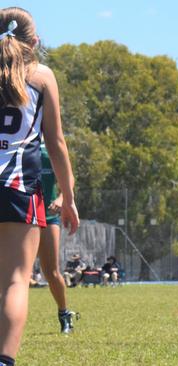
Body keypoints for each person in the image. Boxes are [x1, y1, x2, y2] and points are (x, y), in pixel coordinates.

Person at [0, 7, 79, 364]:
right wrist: (70, 197)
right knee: (16, 280)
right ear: (35, 42)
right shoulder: (41, 76)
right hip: (18, 186)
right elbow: (57, 142)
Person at [37, 143, 77, 333]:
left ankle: (64, 313)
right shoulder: (15, 144)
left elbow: (68, 178)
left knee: (51, 272)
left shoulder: (48, 149)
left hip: (48, 216)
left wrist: (61, 200)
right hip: (20, 215)